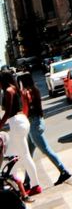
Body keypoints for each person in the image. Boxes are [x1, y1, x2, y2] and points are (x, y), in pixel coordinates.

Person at [18, 73, 71, 187]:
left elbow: (26, 109)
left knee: (45, 149)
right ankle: (27, 180)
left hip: (32, 124)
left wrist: (21, 117)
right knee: (28, 153)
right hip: (39, 120)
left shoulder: (25, 92)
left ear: (22, 82)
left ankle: (63, 170)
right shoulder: (35, 90)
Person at [0, 70, 40, 199]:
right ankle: (25, 185)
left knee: (23, 156)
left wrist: (0, 125)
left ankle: (35, 185)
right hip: (22, 120)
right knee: (20, 155)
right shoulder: (15, 88)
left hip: (16, 122)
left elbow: (7, 112)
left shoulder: (8, 91)